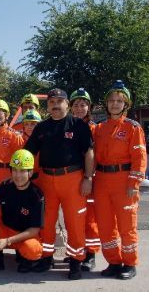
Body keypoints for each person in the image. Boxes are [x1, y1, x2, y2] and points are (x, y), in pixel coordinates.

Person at [24, 88, 94, 280]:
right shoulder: (41, 127)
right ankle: (47, 257)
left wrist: (88, 178)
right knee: (46, 222)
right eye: (52, 102)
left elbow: (89, 153)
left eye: (59, 101)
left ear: (66, 104)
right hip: (47, 180)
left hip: (73, 179)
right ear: (48, 106)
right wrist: (23, 174)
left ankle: (76, 261)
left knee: (75, 223)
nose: (55, 105)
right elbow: (28, 152)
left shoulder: (78, 125)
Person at [93, 80, 147, 280]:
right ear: (106, 104)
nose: (115, 104)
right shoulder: (99, 128)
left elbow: (140, 157)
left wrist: (134, 183)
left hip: (124, 181)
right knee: (106, 225)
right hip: (102, 181)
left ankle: (130, 263)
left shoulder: (133, 128)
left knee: (127, 225)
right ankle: (114, 262)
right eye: (111, 100)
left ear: (126, 105)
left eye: (119, 101)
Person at [0, 149, 44, 273]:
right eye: (15, 170)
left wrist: (8, 241)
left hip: (24, 236)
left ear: (30, 173)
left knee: (32, 249)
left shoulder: (36, 195)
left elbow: (34, 230)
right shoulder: (5, 186)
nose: (18, 175)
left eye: (22, 171)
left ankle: (25, 259)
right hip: (5, 231)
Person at [68, 88, 100, 271]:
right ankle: (76, 252)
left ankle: (90, 254)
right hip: (72, 178)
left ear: (89, 107)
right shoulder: (68, 127)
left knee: (89, 219)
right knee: (74, 218)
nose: (80, 108)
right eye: (76, 105)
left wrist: (89, 177)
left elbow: (96, 156)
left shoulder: (95, 129)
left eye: (83, 105)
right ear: (71, 108)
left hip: (89, 178)